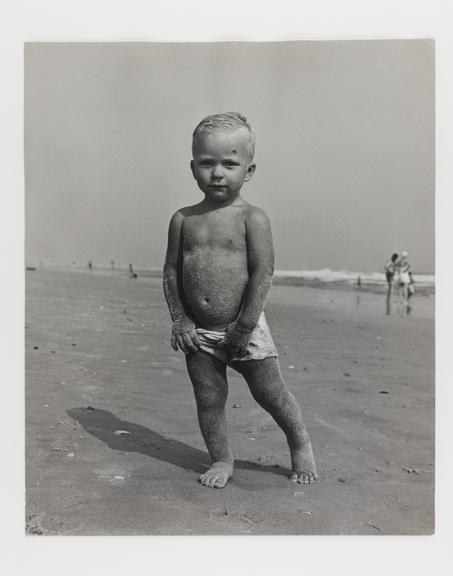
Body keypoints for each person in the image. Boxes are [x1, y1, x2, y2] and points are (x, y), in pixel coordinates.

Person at [163, 112, 317, 489]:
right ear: (193, 166)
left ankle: (300, 443)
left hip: (244, 328)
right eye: (207, 163)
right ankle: (221, 459)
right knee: (209, 398)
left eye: (230, 164)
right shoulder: (183, 219)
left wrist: (244, 326)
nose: (218, 173)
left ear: (248, 171)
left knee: (270, 393)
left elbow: (263, 273)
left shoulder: (252, 218)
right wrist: (180, 320)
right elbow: (170, 272)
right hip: (199, 331)